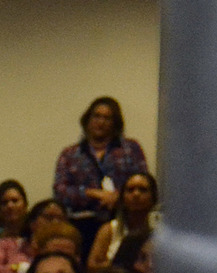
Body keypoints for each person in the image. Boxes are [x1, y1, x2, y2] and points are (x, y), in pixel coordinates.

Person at [54, 97, 150, 255]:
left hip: (123, 222)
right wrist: (93, 194)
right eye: (97, 116)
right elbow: (60, 191)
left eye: (107, 118)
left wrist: (118, 196)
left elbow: (144, 183)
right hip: (81, 225)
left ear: (115, 123)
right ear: (87, 120)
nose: (101, 122)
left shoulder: (131, 149)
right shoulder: (70, 154)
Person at [86, 171, 159, 273]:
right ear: (122, 197)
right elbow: (92, 267)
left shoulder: (162, 231)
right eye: (130, 190)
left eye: (143, 190)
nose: (136, 194)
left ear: (153, 197)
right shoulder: (109, 230)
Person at [0, 196, 62, 273]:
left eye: (61, 219)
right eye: (49, 217)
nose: (55, 223)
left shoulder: (66, 249)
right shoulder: (7, 245)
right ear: (32, 223)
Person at [0, 179, 30, 248]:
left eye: (15, 201)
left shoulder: (34, 237)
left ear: (25, 205)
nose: (10, 206)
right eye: (4, 203)